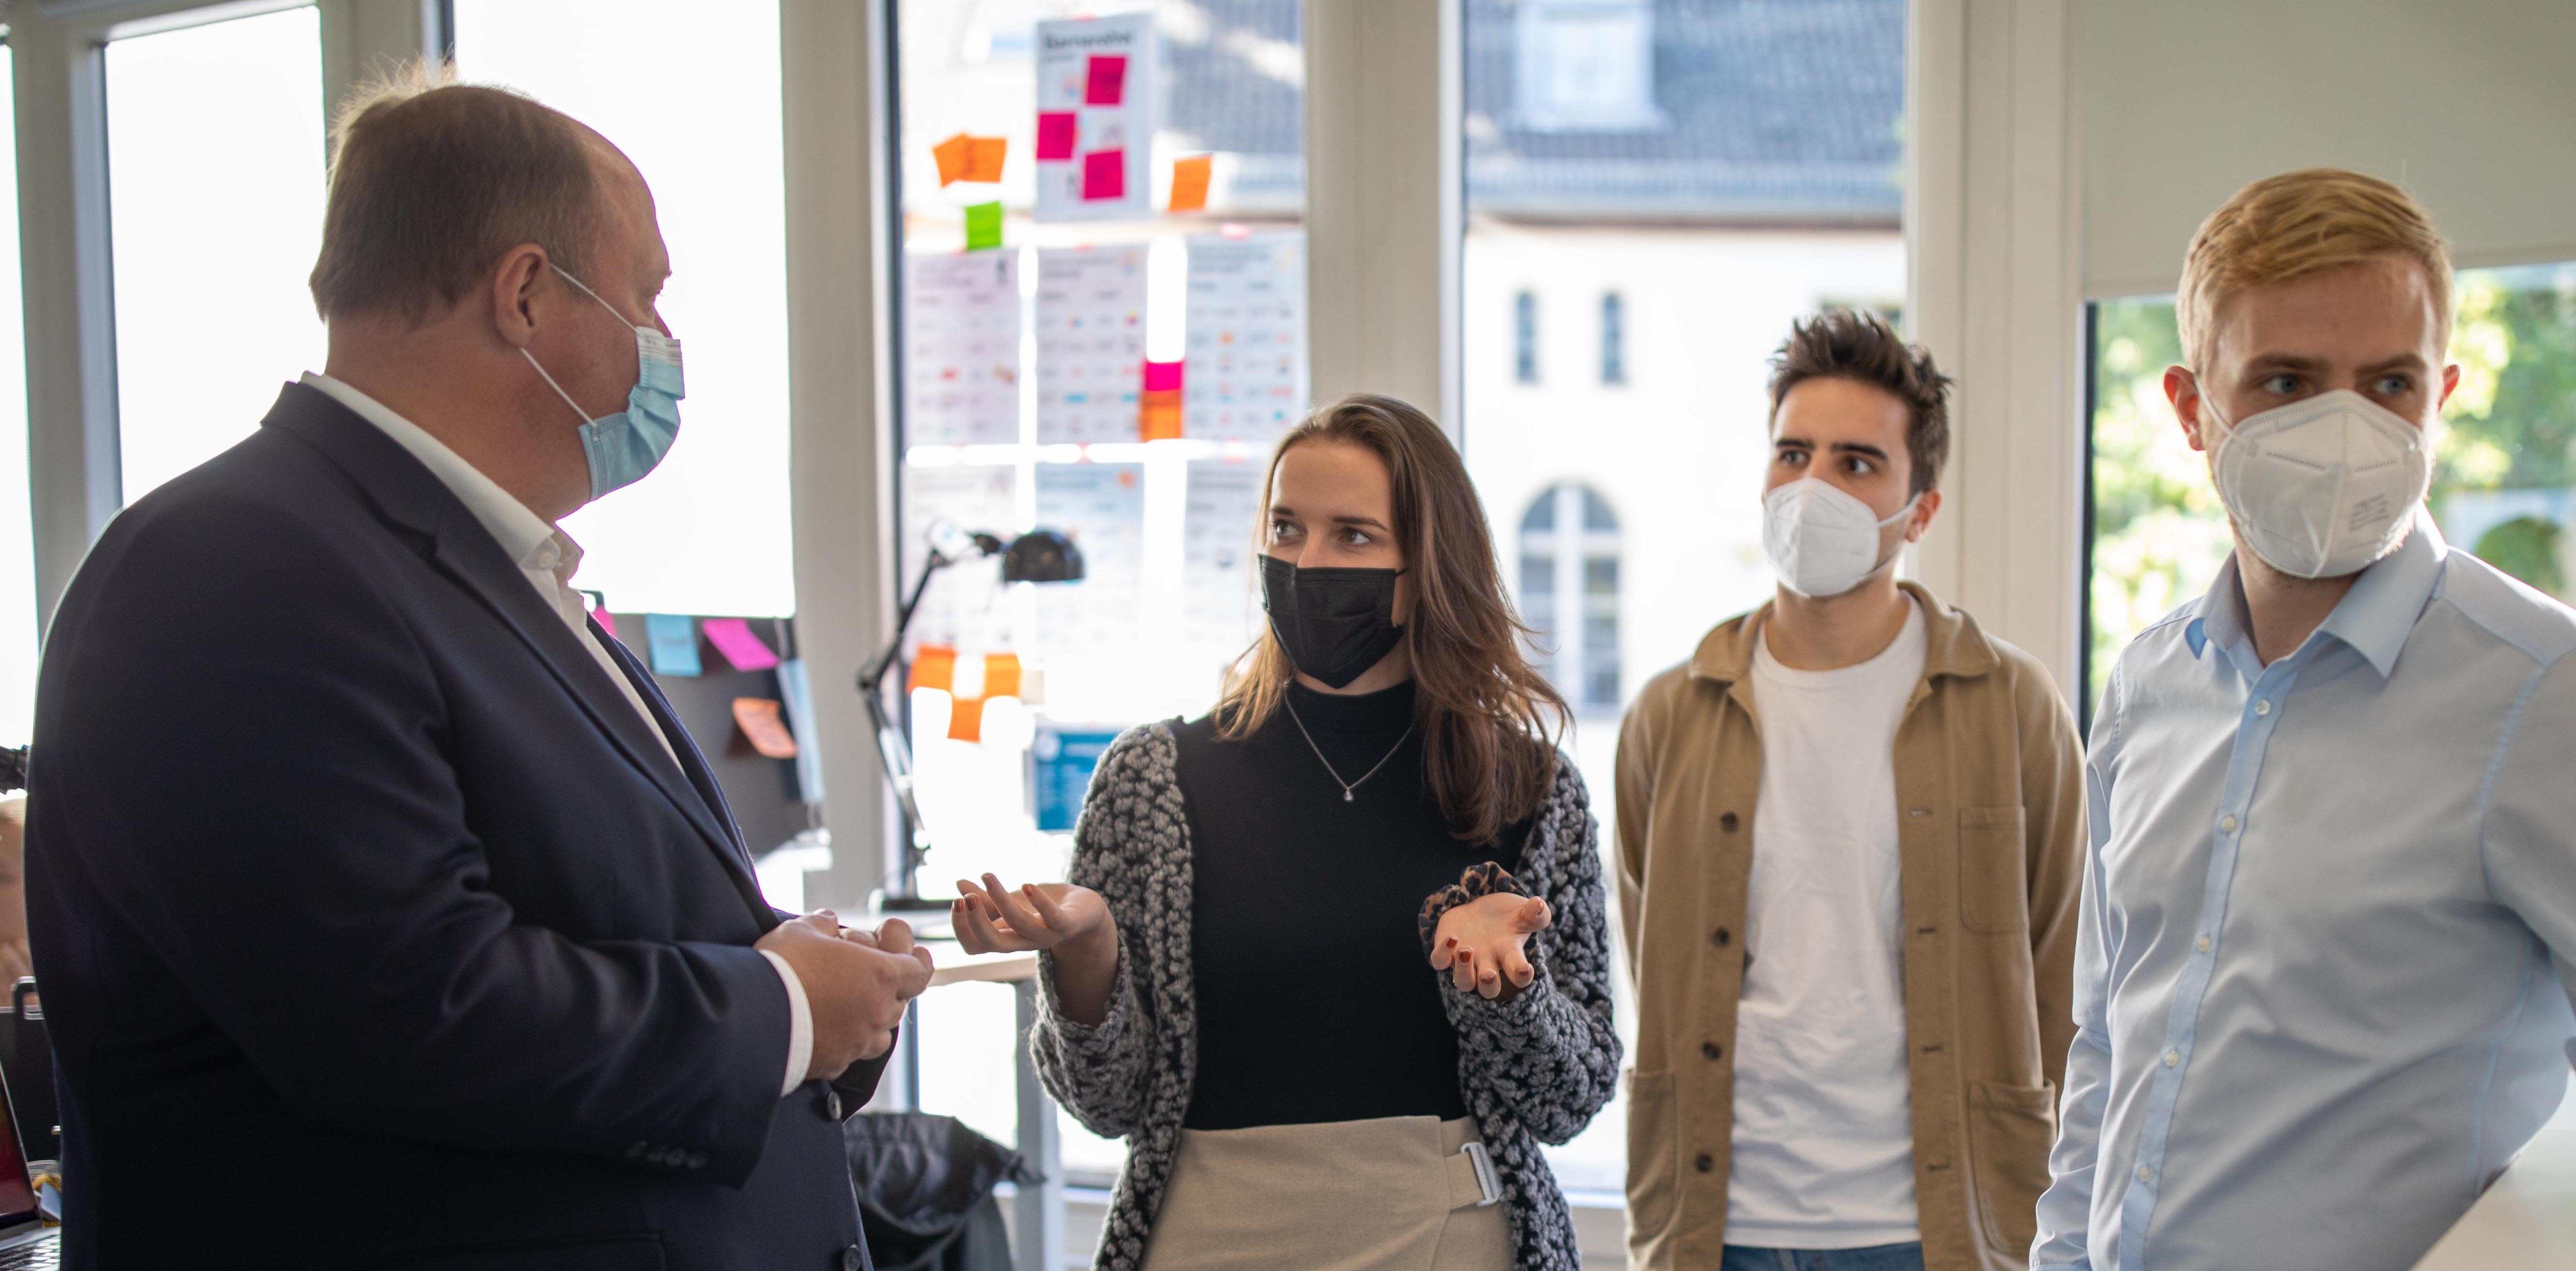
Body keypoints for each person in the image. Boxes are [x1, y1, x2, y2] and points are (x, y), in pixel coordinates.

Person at [25, 74, 932, 1269]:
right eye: (647, 294)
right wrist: (778, 1009)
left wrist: (803, 974)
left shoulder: (486, 573)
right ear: (524, 294)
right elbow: (405, 1007)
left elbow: (577, 914)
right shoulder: (236, 564)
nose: (666, 342)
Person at [2031, 169, 2576, 1271]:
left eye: (2388, 384)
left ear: (2442, 397)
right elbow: (2108, 1051)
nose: (2343, 428)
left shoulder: (2553, 691)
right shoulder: (2146, 684)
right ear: (2190, 408)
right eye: (2284, 381)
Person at [946, 394, 1620, 1271]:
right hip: (1209, 1235)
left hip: (1449, 1236)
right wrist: (1087, 959)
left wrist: (1507, 988)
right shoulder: (1154, 780)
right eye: (1286, 527)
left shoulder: (1527, 788)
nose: (1306, 562)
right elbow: (1107, 1102)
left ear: (1429, 565)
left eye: (1353, 536)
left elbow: (1572, 1101)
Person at [1615, 311, 2084, 1271]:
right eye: (1793, 454)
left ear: (1919, 511)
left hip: (1937, 1232)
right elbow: (1649, 955)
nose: (1812, 487)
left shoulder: (2011, 706)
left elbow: (2059, 979)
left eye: (1856, 463)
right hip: (1717, 1226)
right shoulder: (1670, 714)